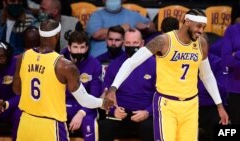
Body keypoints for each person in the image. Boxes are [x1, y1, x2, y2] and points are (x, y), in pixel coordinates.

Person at [106, 9, 229, 141]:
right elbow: (132, 62)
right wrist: (114, 87)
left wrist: (219, 105)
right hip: (167, 104)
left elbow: (207, 75)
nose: (201, 31)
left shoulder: (201, 43)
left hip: (191, 105)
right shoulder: (163, 41)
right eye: (198, 26)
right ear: (187, 22)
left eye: (203, 27)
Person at [12, 19, 113, 141]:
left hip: (26, 122)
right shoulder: (64, 65)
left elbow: (17, 90)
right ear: (58, 35)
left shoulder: (23, 57)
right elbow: (85, 99)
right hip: (50, 124)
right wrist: (102, 103)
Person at [99, 28, 155, 141]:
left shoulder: (154, 64)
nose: (131, 46)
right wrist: (112, 110)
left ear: (142, 43)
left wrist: (148, 112)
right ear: (124, 43)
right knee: (104, 126)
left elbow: (161, 94)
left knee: (150, 127)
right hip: (120, 113)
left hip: (145, 114)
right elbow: (105, 94)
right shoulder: (114, 65)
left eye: (135, 43)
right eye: (128, 43)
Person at [61, 31, 102, 141]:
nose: (79, 51)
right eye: (75, 47)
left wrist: (81, 113)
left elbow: (95, 94)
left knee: (88, 121)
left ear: (87, 48)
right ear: (69, 47)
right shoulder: (59, 62)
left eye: (82, 47)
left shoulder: (95, 64)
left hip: (86, 106)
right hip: (62, 105)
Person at [86, 0, 156, 57]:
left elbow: (153, 27)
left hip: (128, 58)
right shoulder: (96, 15)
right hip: (100, 59)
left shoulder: (132, 15)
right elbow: (97, 34)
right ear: (103, 0)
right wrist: (121, 28)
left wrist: (147, 27)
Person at [0, 39, 21, 140]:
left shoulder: (16, 64)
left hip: (10, 107)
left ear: (7, 56)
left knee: (20, 115)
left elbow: (22, 94)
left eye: (2, 57)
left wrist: (7, 104)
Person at [221, 22, 240, 125]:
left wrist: (236, 53)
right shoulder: (232, 30)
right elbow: (226, 59)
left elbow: (232, 57)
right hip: (236, 87)